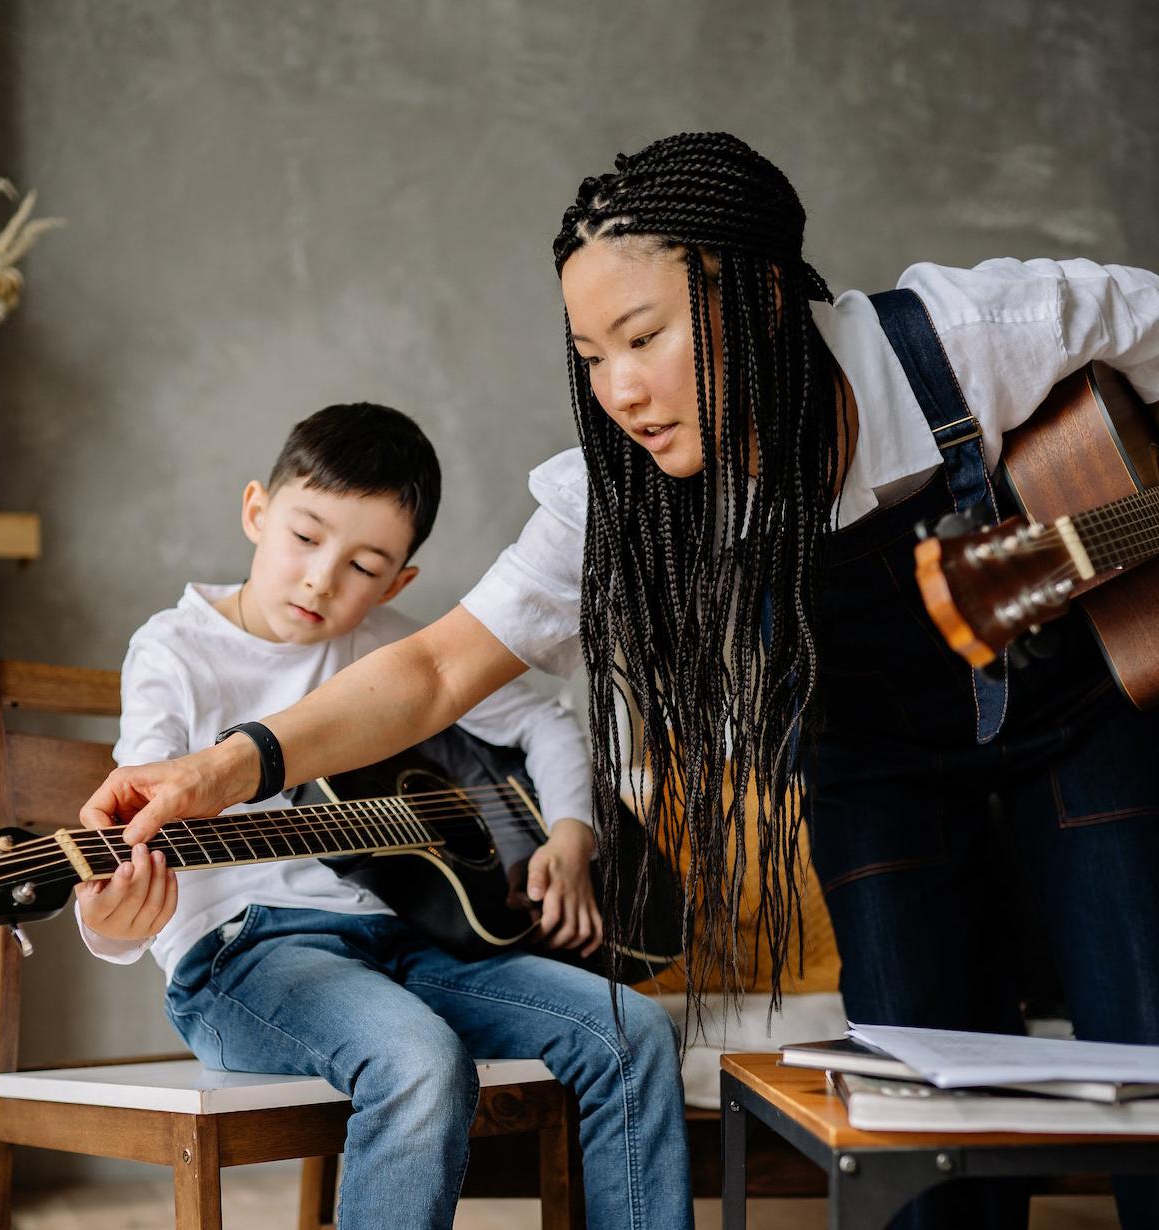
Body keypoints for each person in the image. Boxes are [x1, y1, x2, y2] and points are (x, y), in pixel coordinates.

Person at [83, 134, 1159, 1230]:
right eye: (591, 355)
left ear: (766, 294)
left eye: (643, 337)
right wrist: (226, 766)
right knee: (920, 1143)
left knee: (1146, 1080)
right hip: (872, 774)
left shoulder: (980, 336)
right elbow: (437, 666)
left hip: (1085, 728)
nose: (619, 391)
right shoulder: (616, 500)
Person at [75, 402, 693, 1230]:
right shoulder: (174, 651)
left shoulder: (391, 651)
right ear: (257, 511)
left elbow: (544, 719)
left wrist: (572, 835)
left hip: (414, 943)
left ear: (399, 581)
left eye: (365, 565)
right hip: (247, 960)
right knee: (419, 1058)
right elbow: (130, 827)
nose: (322, 579)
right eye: (305, 537)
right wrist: (112, 924)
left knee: (635, 1031)